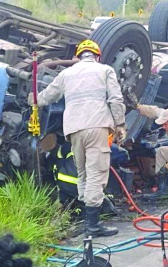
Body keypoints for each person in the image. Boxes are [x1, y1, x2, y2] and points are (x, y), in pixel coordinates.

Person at [28, 39, 126, 237]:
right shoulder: (105, 70)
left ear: (78, 56)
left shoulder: (66, 74)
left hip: (73, 129)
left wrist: (33, 99)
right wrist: (120, 124)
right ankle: (93, 225)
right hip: (97, 126)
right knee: (96, 174)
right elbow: (115, 99)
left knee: (82, 173)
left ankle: (85, 216)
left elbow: (46, 97)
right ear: (97, 56)